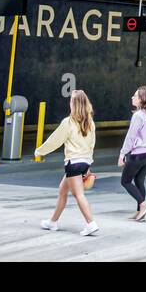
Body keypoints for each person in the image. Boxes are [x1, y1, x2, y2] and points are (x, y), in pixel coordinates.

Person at [35, 90, 99, 237]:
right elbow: (92, 144)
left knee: (78, 195)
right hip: (84, 162)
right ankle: (53, 222)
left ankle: (91, 223)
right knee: (62, 191)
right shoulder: (90, 123)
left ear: (74, 105)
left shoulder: (68, 122)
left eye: (71, 101)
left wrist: (40, 151)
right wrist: (88, 164)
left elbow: (54, 141)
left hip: (73, 163)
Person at [118, 86, 146, 221]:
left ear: (142, 100)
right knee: (139, 181)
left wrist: (122, 154)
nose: (132, 97)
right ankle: (140, 213)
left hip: (138, 155)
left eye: (135, 96)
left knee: (125, 181)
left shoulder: (137, 116)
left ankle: (143, 204)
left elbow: (130, 137)